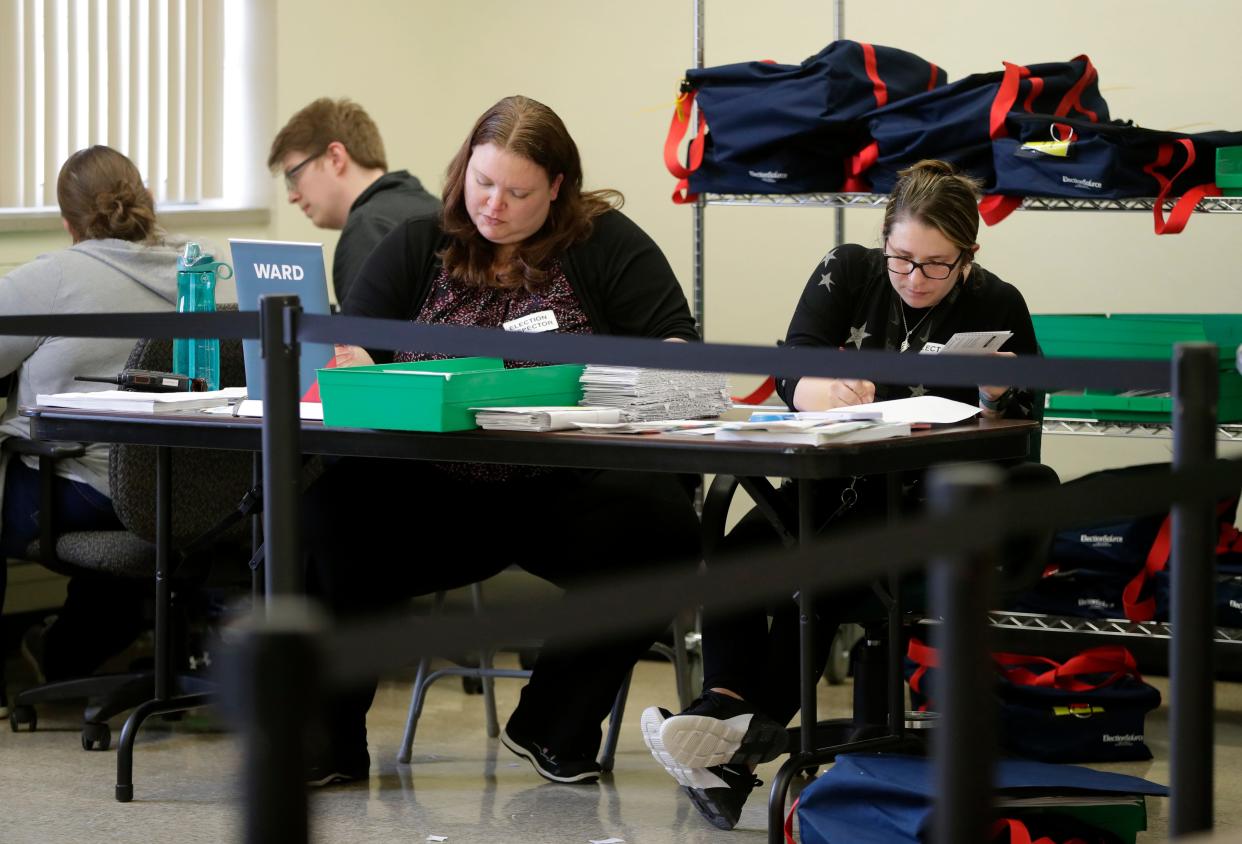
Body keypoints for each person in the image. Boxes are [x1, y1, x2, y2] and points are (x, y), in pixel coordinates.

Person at [302, 95, 702, 787]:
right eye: (482, 183)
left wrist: (647, 365)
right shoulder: (416, 242)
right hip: (434, 491)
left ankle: (551, 724)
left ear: (557, 188)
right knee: (326, 516)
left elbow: (680, 349)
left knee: (664, 533)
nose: (494, 205)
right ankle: (327, 742)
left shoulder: (606, 244)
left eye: (519, 192)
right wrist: (355, 361)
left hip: (566, 487)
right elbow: (346, 348)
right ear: (462, 172)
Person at [640, 159, 1041, 830]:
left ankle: (723, 743)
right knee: (740, 558)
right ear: (884, 239)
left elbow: (1023, 433)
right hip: (827, 491)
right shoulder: (849, 272)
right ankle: (726, 731)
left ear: (969, 256)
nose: (916, 279)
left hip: (928, 506)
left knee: (815, 581)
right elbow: (794, 363)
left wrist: (1000, 392)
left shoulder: (996, 303)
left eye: (938, 265)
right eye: (902, 258)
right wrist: (816, 390)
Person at [0, 146, 186, 713]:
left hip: (84, 489)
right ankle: (65, 657)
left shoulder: (52, 277)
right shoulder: (193, 272)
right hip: (182, 491)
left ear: (67, 221)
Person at [268, 97, 440, 304]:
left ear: (335, 157)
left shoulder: (366, 228)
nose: (291, 196)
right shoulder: (436, 210)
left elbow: (359, 336)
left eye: (293, 176)